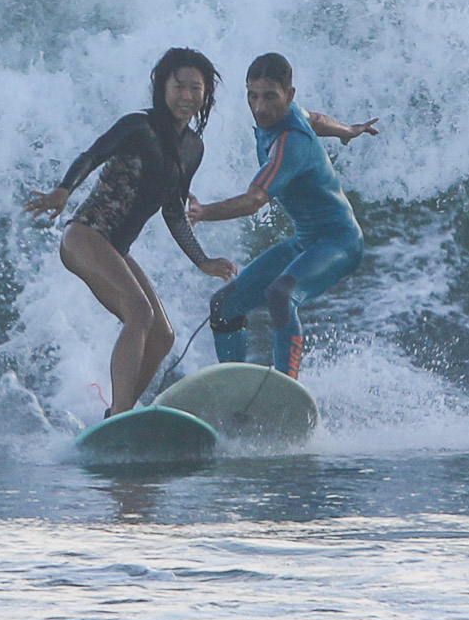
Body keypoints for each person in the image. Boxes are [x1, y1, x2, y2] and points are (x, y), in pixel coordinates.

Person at [25, 48, 237, 417]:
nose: (187, 96)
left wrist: (202, 260)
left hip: (116, 249)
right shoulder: (138, 126)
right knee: (138, 312)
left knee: (162, 336)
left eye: (196, 89)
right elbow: (93, 155)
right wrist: (64, 189)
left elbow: (173, 209)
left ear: (206, 95)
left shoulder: (192, 149)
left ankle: (116, 417)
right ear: (162, 87)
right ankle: (123, 413)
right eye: (179, 86)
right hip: (86, 235)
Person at [189, 52, 377, 379]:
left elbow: (254, 200)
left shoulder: (291, 142)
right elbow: (315, 118)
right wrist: (346, 130)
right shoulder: (286, 117)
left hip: (340, 243)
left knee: (281, 294)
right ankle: (236, 388)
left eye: (270, 97)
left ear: (289, 95)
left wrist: (204, 212)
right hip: (305, 242)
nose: (260, 107)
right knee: (223, 307)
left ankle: (285, 388)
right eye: (252, 96)